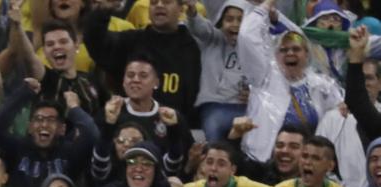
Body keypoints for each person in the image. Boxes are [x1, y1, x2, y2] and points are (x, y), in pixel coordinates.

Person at [238, 0, 343, 164]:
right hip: (265, 164)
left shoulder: (321, 84)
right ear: (275, 54)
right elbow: (246, 37)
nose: (290, 53)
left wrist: (277, 17)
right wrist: (265, 8)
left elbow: (340, 113)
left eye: (296, 49)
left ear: (307, 54)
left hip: (308, 165)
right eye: (284, 50)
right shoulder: (264, 77)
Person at [84, 0, 202, 120]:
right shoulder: (131, 41)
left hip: (173, 124)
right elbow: (97, 44)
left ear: (181, 9)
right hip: (130, 124)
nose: (159, 5)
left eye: (166, 2)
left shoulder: (191, 47)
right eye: (154, 2)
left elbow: (192, 95)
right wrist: (103, 11)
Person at [0, 88, 99, 187]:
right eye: (38, 119)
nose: (44, 124)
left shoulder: (70, 152)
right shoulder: (17, 149)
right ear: (29, 127)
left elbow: (92, 133)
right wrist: (24, 93)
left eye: (51, 120)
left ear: (62, 129)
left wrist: (74, 108)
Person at [189, 0, 250, 141]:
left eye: (241, 20)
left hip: (245, 108)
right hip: (214, 106)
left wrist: (254, 95)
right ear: (220, 22)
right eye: (229, 19)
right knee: (214, 127)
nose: (235, 24)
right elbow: (200, 27)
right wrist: (192, 10)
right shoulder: (212, 38)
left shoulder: (256, 48)